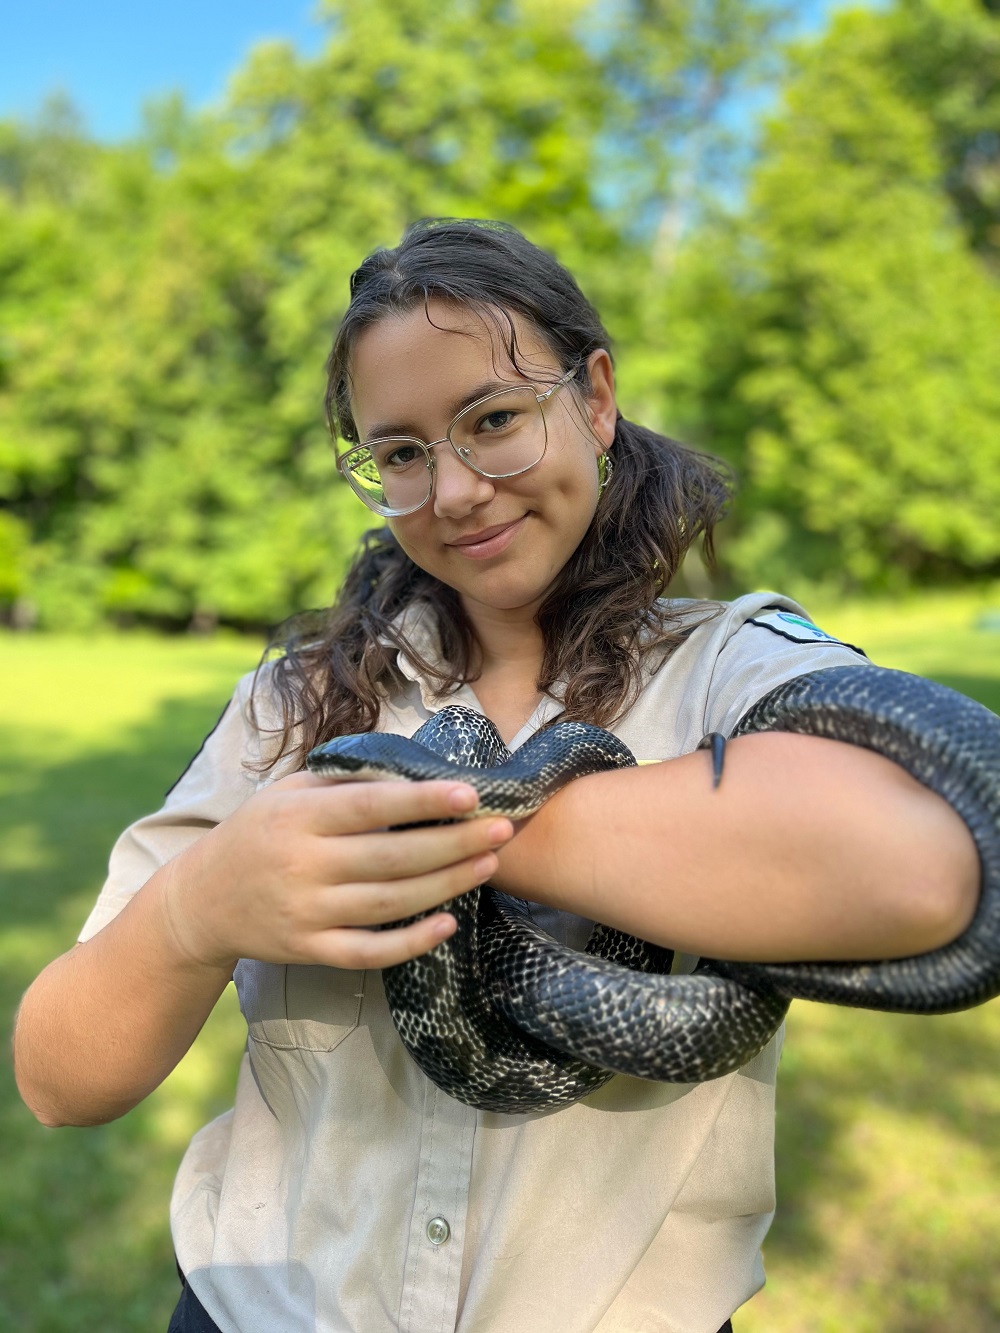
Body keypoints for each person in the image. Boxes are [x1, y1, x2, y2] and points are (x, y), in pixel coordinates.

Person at [14, 219, 978, 1333]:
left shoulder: (729, 671)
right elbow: (56, 1081)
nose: (457, 489)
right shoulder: (294, 707)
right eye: (403, 453)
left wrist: (440, 832)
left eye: (494, 419)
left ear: (596, 399)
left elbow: (925, 873)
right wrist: (198, 906)